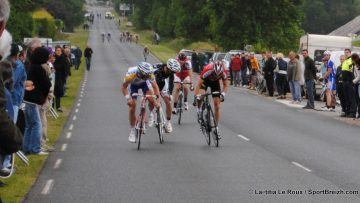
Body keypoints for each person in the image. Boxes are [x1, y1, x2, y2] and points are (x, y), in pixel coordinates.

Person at [121, 62, 160, 143]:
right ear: (140, 73)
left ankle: (151, 113)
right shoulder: (130, 75)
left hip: (145, 84)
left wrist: (157, 99)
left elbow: (155, 87)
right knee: (132, 107)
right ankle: (132, 130)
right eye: (145, 76)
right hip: (133, 85)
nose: (147, 77)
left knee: (151, 100)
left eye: (148, 76)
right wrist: (128, 99)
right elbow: (124, 87)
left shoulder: (149, 75)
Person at [23, 47, 52, 155]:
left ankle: (26, 147)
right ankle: (35, 148)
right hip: (34, 100)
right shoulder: (39, 69)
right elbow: (47, 84)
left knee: (29, 125)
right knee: (37, 124)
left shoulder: (31, 67)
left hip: (28, 99)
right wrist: (44, 96)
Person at [194, 61, 229, 137]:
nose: (217, 76)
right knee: (201, 96)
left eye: (219, 75)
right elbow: (199, 84)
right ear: (213, 70)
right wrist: (196, 96)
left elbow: (226, 85)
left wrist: (223, 94)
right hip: (205, 81)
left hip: (215, 84)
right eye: (215, 74)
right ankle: (199, 111)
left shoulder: (224, 72)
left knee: (217, 105)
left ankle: (216, 127)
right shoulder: (207, 69)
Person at [148, 59, 181, 132]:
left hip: (162, 83)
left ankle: (168, 122)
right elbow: (149, 80)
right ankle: (151, 113)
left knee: (169, 102)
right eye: (172, 71)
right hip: (153, 83)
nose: (173, 73)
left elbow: (171, 83)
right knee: (152, 101)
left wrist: (170, 94)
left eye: (174, 72)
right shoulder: (156, 69)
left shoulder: (170, 71)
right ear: (167, 67)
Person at [5, 44, 27, 121]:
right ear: (17, 54)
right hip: (13, 98)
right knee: (11, 125)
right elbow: (12, 82)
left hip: (5, 97)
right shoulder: (19, 65)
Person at [342, 49, 357, 118]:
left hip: (350, 81)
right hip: (344, 81)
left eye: (347, 52)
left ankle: (352, 112)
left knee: (351, 98)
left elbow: (352, 72)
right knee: (346, 97)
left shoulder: (351, 60)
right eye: (345, 52)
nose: (346, 54)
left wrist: (353, 82)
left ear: (350, 53)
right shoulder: (345, 60)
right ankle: (347, 111)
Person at [352, 53, 360, 119]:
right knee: (357, 99)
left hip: (358, 83)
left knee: (358, 99)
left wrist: (353, 82)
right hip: (357, 83)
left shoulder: (357, 65)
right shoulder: (355, 65)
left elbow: (359, 76)